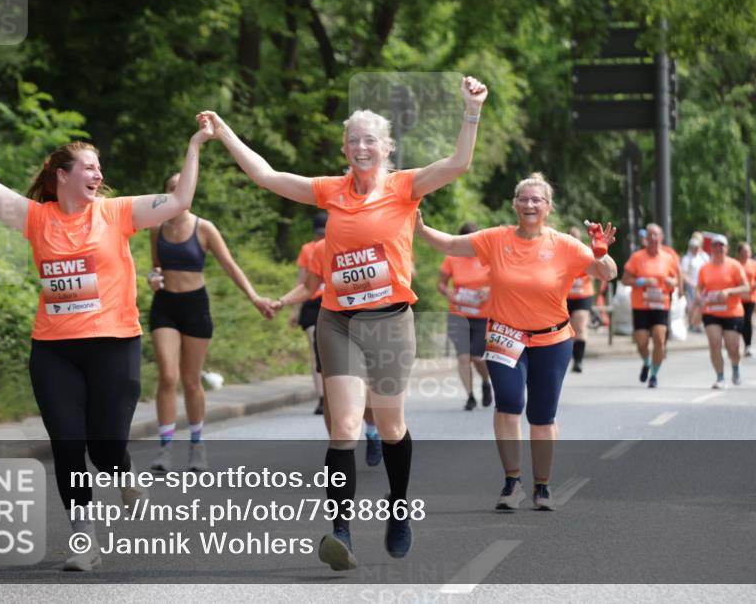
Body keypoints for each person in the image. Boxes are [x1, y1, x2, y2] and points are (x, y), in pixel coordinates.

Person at [200, 75, 489, 571]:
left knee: (392, 424)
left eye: (370, 140)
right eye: (353, 140)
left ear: (385, 147)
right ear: (344, 148)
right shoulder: (331, 191)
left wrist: (471, 109)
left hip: (391, 321)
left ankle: (398, 509)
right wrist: (225, 133)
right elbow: (268, 176)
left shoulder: (405, 186)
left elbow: (459, 163)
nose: (360, 147)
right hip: (339, 321)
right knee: (346, 428)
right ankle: (341, 530)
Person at [0, 87, 210, 572]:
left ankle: (123, 472)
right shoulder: (35, 218)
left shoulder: (117, 212)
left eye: (99, 169)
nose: (98, 175)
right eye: (89, 167)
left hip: (113, 345)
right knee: (67, 443)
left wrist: (194, 147)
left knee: (106, 448)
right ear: (62, 176)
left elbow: (180, 199)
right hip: (54, 350)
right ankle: (83, 538)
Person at [416, 174, 616, 511]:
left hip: (552, 339)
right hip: (505, 335)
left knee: (542, 415)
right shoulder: (496, 239)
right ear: (514, 204)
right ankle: (512, 482)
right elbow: (451, 244)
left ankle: (542, 486)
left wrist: (601, 253)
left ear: (548, 208)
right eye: (523, 199)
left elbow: (606, 273)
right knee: (508, 404)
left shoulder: (564, 244)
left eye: (537, 199)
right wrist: (419, 228)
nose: (530, 204)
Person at [147, 173, 276, 473]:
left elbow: (229, 265)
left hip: (195, 307)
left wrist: (255, 297)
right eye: (171, 187)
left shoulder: (203, 228)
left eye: (183, 187)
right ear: (165, 193)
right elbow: (155, 266)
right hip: (165, 307)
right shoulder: (157, 228)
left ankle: (196, 445)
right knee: (168, 377)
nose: (177, 192)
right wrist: (153, 277)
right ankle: (165, 448)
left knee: (191, 380)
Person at [280, 236, 384, 467]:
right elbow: (308, 286)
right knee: (331, 390)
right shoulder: (320, 248)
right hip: (331, 324)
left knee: (365, 389)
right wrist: (282, 301)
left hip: (366, 323)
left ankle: (372, 431)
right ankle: (338, 448)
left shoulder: (370, 240)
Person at [438, 222, 493, 410]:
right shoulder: (452, 258)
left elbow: (505, 281)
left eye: (475, 241)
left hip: (483, 314)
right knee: (463, 357)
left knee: (478, 358)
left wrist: (490, 289)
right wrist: (448, 293)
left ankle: (486, 383)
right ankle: (470, 395)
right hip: (458, 314)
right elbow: (442, 284)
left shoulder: (489, 257)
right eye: (468, 242)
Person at [622, 223, 679, 388]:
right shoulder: (637, 257)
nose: (653, 238)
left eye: (656, 235)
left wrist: (671, 281)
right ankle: (647, 362)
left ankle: (654, 374)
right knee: (641, 342)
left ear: (661, 238)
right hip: (641, 305)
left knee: (660, 339)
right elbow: (625, 279)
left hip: (661, 304)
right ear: (646, 238)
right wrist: (641, 281)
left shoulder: (668, 258)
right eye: (650, 235)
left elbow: (675, 279)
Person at [696, 235, 750, 389]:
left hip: (732, 312)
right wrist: (700, 298)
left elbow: (746, 287)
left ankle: (735, 366)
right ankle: (720, 377)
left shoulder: (734, 266)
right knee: (714, 343)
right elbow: (699, 287)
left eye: (721, 246)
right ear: (711, 248)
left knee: (733, 347)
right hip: (711, 311)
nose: (718, 249)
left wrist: (729, 292)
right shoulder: (705, 268)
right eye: (715, 246)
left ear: (726, 249)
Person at [290, 212, 328, 416]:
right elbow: (302, 281)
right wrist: (295, 310)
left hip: (330, 300)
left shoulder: (336, 245)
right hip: (312, 302)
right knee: (315, 347)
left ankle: (332, 393)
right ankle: (321, 396)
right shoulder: (308, 249)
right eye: (318, 234)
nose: (320, 237)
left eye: (324, 233)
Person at [566, 225, 596, 373]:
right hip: (565, 296)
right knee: (568, 330)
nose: (573, 239)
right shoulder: (560, 252)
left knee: (580, 325)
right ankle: (570, 356)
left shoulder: (586, 252)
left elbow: (597, 271)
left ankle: (578, 361)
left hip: (583, 295)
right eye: (570, 236)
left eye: (575, 236)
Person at [736, 241, 756, 356]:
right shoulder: (736, 264)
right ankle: (738, 343)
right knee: (739, 321)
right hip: (738, 298)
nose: (746, 254)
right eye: (743, 251)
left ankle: (748, 345)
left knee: (747, 320)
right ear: (739, 253)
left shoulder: (754, 264)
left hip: (750, 296)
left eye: (748, 251)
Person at [680, 235, 709, 333]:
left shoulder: (703, 256)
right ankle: (691, 324)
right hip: (692, 286)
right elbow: (683, 274)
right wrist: (691, 284)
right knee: (693, 306)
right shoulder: (687, 258)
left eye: (697, 247)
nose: (696, 249)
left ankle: (697, 323)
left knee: (701, 306)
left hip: (702, 286)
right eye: (694, 247)